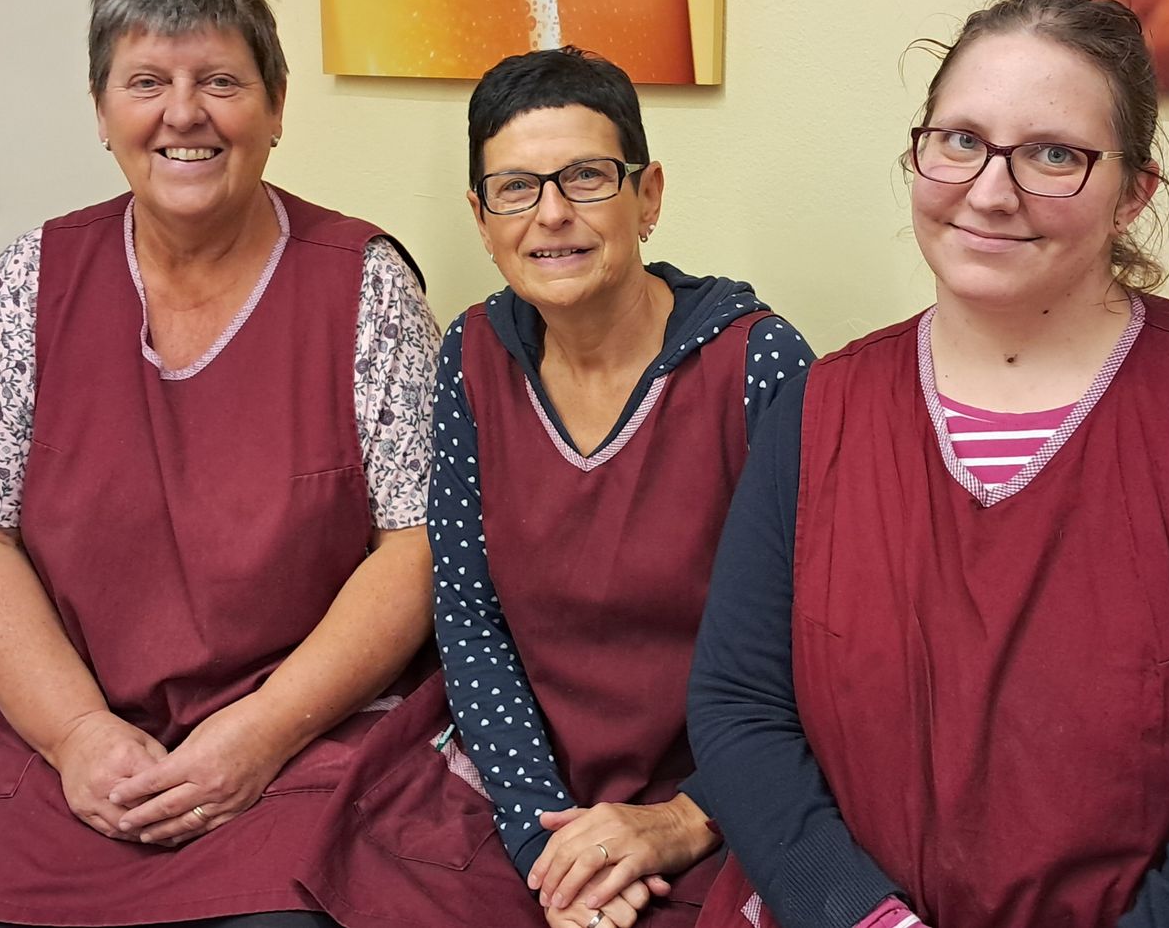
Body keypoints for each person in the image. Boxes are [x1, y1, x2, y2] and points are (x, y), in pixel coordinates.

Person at [688, 0, 1169, 928]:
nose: (992, 190)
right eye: (961, 140)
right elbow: (738, 708)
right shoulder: (820, 410)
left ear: (1134, 194)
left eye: (1055, 154)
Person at [0, 0, 439, 927]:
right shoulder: (30, 283)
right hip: (70, 742)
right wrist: (78, 735)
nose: (184, 113)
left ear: (273, 109)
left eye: (221, 81)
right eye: (147, 82)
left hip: (307, 745)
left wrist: (261, 735)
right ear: (102, 113)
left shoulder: (366, 284)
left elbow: (419, 544)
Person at [299, 47, 813, 928]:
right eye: (516, 189)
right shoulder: (470, 357)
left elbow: (811, 641)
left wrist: (689, 819)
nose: (552, 217)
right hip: (525, 777)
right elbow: (467, 614)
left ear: (647, 196)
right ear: (480, 215)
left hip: (718, 793)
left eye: (586, 178)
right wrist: (547, 843)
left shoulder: (758, 363)